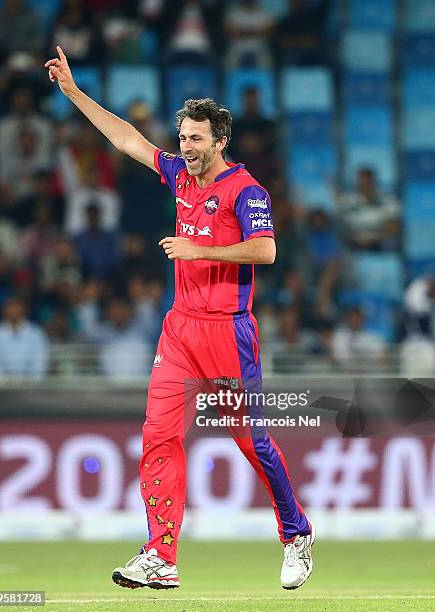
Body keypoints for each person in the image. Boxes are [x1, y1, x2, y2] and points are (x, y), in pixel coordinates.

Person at [45, 45, 315, 591]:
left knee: (251, 442)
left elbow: (266, 252)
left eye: (197, 139)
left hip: (228, 333)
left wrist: (201, 253)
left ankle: (296, 533)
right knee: (158, 436)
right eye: (183, 137)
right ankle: (161, 554)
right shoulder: (179, 174)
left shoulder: (246, 190)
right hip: (180, 329)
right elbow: (127, 139)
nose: (186, 147)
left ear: (220, 141)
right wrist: (74, 94)